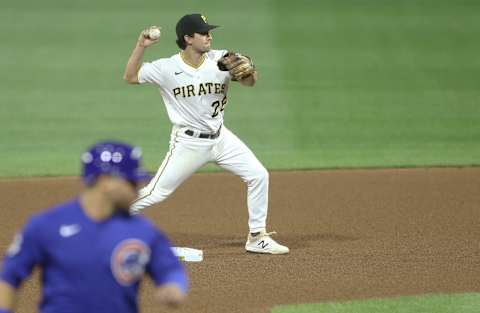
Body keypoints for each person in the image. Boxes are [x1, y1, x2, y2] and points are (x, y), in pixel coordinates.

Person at [123, 13, 289, 255]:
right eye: (203, 33)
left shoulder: (222, 58)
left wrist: (249, 72)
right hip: (188, 143)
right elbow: (130, 77)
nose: (209, 36)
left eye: (209, 31)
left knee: (258, 176)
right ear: (188, 38)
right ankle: (102, 221)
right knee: (156, 192)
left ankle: (257, 237)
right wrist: (141, 46)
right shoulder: (167, 68)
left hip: (221, 138)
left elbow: (250, 83)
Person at [0, 141, 188, 313]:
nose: (137, 188)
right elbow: (8, 278)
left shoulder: (143, 230)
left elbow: (170, 269)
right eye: (131, 181)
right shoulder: (47, 225)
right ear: (105, 181)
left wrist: (173, 286)